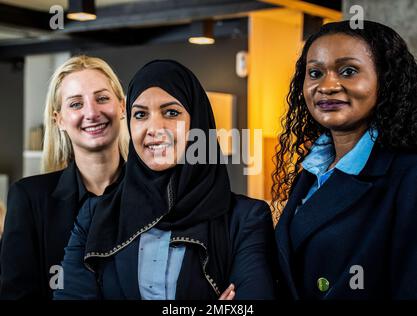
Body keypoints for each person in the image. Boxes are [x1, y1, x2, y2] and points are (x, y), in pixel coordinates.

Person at [54, 59, 277, 300]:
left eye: (171, 113)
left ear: (197, 122)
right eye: (140, 114)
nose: (155, 128)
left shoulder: (246, 219)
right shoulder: (94, 215)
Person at [272, 20, 417, 299]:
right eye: (315, 73)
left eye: (348, 71)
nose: (326, 86)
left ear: (385, 80)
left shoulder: (409, 173)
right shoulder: (311, 171)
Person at [0, 55, 128, 299]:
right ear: (59, 120)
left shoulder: (155, 193)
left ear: (121, 107)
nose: (91, 112)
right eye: (76, 104)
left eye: (102, 98)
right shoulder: (29, 198)